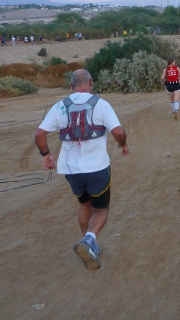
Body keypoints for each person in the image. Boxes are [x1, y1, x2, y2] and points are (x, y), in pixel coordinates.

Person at [34, 69, 129, 271]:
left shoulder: (60, 106)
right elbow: (118, 131)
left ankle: (90, 246)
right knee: (101, 210)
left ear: (71, 86)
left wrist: (46, 154)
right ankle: (88, 240)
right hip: (97, 168)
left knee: (84, 205)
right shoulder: (101, 105)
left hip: (71, 171)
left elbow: (39, 134)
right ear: (91, 82)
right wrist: (122, 144)